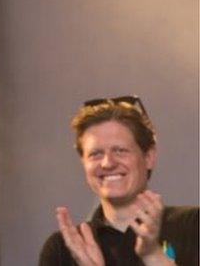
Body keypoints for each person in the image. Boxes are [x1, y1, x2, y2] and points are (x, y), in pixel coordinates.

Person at [40, 96, 198, 266]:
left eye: (120, 150)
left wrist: (153, 255)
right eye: (95, 154)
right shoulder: (62, 249)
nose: (107, 163)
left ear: (149, 157)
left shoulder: (193, 226)